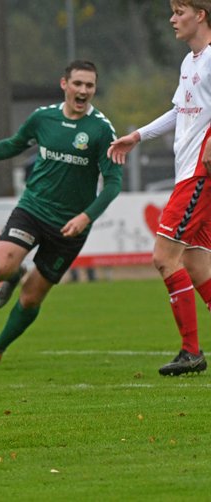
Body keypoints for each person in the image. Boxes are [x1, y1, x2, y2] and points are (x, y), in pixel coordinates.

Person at [0, 60, 122, 365]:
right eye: (78, 83)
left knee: (31, 297)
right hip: (33, 209)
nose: (83, 90)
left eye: (90, 85)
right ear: (64, 84)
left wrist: (86, 217)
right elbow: (13, 145)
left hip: (70, 227)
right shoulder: (43, 118)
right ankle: (14, 273)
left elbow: (113, 184)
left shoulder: (101, 130)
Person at [108, 0, 211, 376]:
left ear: (200, 15)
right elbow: (178, 112)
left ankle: (191, 352)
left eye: (179, 12)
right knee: (196, 265)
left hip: (199, 174)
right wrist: (137, 135)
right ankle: (191, 352)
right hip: (189, 172)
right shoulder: (190, 62)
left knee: (164, 258)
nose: (172, 19)